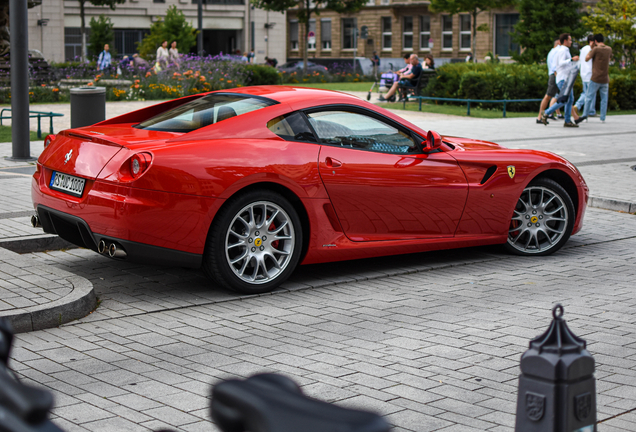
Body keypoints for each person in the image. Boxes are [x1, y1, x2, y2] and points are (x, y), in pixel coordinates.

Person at [541, 33, 580, 127]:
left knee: (569, 99)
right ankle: (546, 112)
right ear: (565, 41)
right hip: (563, 79)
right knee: (564, 99)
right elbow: (561, 63)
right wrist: (571, 59)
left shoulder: (562, 50)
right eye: (570, 40)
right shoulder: (563, 50)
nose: (571, 42)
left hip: (564, 78)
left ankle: (567, 121)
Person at [584, 33, 612, 123]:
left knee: (589, 97)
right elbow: (609, 59)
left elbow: (586, 58)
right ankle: (603, 118)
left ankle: (585, 116)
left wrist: (591, 48)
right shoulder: (609, 49)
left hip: (595, 78)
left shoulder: (596, 49)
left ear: (595, 41)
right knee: (604, 99)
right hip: (605, 78)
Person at [536, 39, 560, 125]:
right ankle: (541, 116)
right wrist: (557, 76)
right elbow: (554, 66)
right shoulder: (556, 51)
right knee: (548, 96)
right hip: (555, 75)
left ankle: (548, 114)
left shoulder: (551, 52)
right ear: (558, 43)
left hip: (553, 75)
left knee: (555, 96)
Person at [573, 35, 596, 119]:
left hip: (583, 73)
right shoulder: (591, 49)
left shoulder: (583, 49)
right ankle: (579, 106)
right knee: (589, 93)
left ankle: (588, 109)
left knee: (586, 92)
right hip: (589, 74)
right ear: (592, 41)